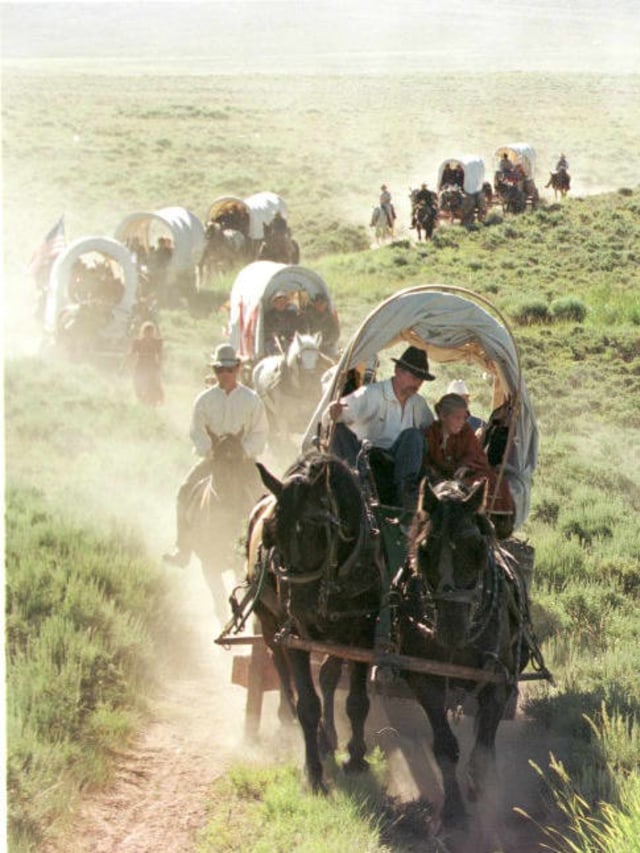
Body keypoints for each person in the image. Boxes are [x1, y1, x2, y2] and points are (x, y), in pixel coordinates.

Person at [163, 343, 268, 567]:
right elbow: (196, 431)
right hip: (213, 462)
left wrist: (244, 451)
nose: (224, 374)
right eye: (220, 370)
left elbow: (260, 433)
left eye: (229, 369)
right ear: (214, 371)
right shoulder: (204, 400)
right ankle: (183, 547)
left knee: (266, 499)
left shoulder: (252, 400)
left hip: (243, 462)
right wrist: (208, 450)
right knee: (184, 492)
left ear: (238, 369)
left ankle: (268, 550)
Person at [327, 346, 435, 508]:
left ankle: (405, 493)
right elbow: (340, 414)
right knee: (339, 431)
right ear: (398, 371)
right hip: (367, 458)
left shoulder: (418, 404)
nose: (417, 383)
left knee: (413, 436)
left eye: (420, 380)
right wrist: (336, 412)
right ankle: (360, 488)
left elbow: (431, 426)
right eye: (413, 377)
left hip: (399, 464)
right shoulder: (371, 394)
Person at [423, 393, 515, 538]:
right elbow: (428, 460)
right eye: (457, 418)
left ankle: (494, 524)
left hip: (464, 474)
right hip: (441, 477)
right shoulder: (431, 433)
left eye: (464, 418)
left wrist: (466, 465)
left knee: (490, 481)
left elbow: (475, 454)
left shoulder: (465, 432)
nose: (461, 422)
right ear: (443, 416)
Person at [128, 320, 164, 406]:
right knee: (137, 382)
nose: (148, 334)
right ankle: (140, 398)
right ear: (143, 332)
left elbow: (161, 355)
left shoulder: (157, 342)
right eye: (147, 332)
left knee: (156, 383)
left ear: (153, 332)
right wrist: (128, 364)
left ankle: (156, 399)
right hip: (141, 365)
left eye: (150, 332)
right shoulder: (137, 342)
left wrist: (160, 366)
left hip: (152, 365)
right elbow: (131, 354)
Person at [263, 290, 302, 355]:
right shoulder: (269, 316)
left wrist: (293, 336)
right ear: (274, 303)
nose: (282, 304)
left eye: (284, 302)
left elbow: (296, 327)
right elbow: (268, 331)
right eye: (279, 302)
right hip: (273, 342)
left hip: (289, 341)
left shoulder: (291, 314)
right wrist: (275, 337)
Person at [301, 293, 340, 357]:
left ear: (326, 304)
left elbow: (336, 332)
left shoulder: (330, 316)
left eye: (322, 303)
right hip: (312, 344)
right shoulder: (308, 315)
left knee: (334, 357)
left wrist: (328, 341)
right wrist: (312, 341)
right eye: (318, 303)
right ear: (314, 304)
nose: (320, 305)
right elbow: (305, 330)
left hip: (327, 345)